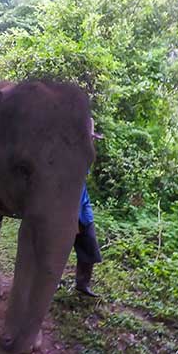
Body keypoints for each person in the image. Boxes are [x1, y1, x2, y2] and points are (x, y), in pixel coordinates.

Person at [73, 123, 104, 297]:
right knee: (55, 251)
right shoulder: (72, 157)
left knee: (90, 247)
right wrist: (72, 219)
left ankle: (82, 284)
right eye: (91, 138)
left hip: (84, 208)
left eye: (93, 139)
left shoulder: (86, 156)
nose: (93, 141)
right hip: (68, 210)